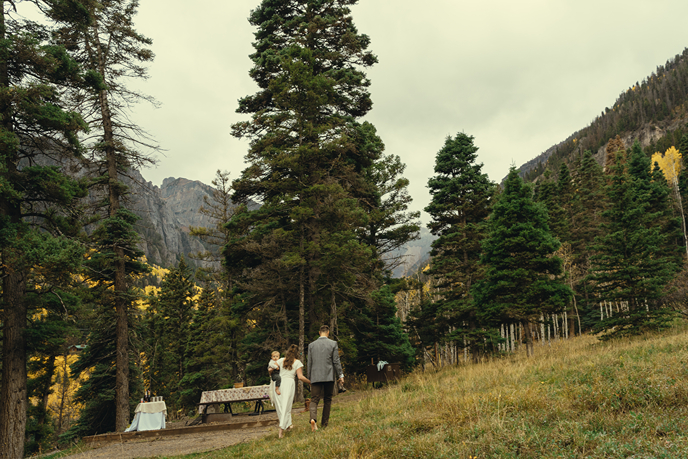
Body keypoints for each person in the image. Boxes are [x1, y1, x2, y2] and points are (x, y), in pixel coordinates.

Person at [307, 324, 344, 432]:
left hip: (315, 376)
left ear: (319, 332)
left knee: (314, 400)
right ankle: (325, 423)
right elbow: (336, 361)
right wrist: (340, 375)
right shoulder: (333, 344)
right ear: (327, 333)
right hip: (328, 376)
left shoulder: (311, 345)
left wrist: (310, 378)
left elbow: (309, 363)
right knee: (327, 399)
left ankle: (313, 419)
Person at [269, 344, 310, 438]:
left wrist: (274, 374)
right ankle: (280, 430)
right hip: (288, 384)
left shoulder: (281, 360)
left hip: (279, 383)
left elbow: (270, 369)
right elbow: (300, 377)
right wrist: (309, 382)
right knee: (286, 407)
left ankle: (287, 426)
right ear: (297, 353)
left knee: (280, 407)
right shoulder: (297, 362)